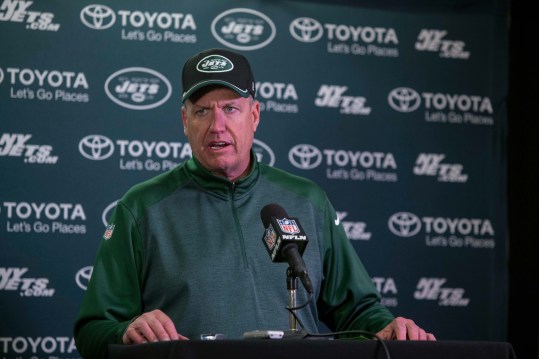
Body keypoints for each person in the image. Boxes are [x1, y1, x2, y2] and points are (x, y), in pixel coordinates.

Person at [73, 48, 435, 359]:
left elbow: (358, 310)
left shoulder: (307, 199)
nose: (217, 125)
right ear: (185, 120)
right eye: (202, 111)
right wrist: (127, 331)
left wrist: (390, 328)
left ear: (255, 115)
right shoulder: (141, 208)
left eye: (231, 108)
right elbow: (92, 332)